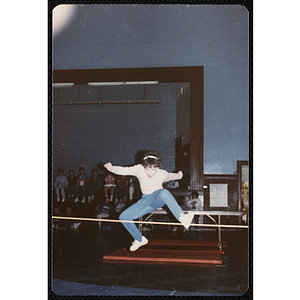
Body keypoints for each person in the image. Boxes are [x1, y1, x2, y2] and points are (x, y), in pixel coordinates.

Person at [104, 151, 194, 251]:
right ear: (144, 166)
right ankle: (139, 239)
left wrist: (179, 176)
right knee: (124, 217)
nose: (150, 173)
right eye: (147, 169)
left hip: (157, 198)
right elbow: (124, 170)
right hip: (145, 200)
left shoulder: (162, 174)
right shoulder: (139, 169)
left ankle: (182, 218)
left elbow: (171, 176)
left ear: (158, 167)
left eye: (153, 170)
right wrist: (111, 168)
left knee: (163, 192)